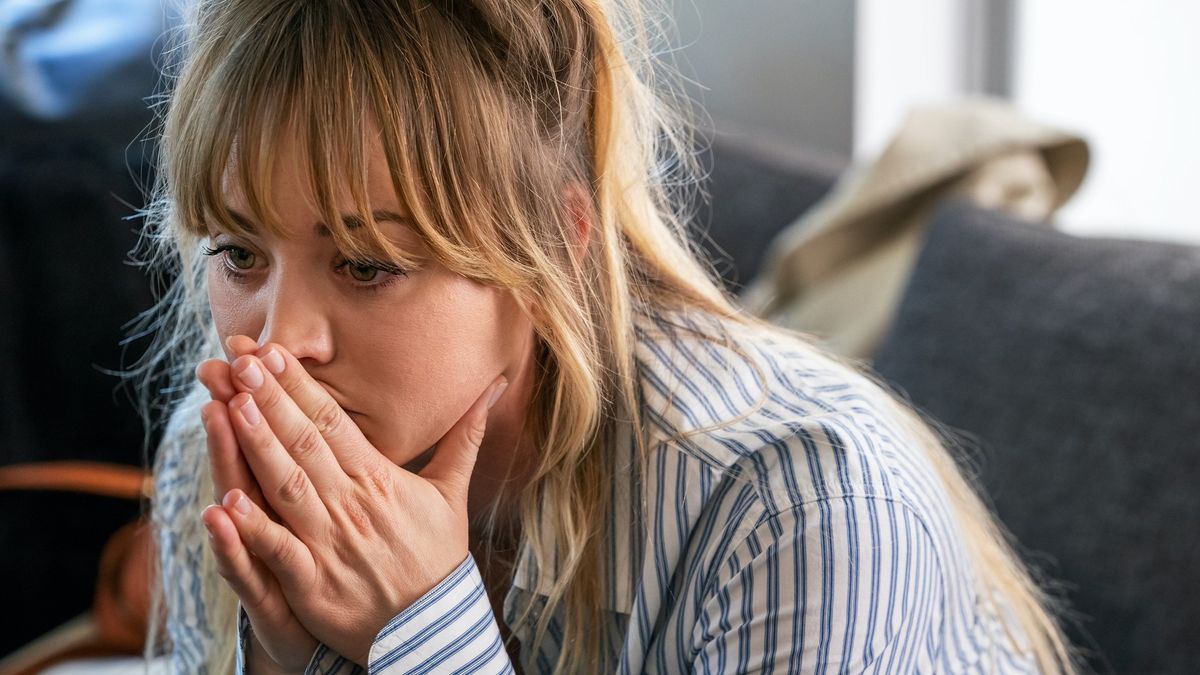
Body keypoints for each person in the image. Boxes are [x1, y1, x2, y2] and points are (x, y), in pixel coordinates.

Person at [130, 1, 1081, 673]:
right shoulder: (208, 462)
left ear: (558, 245)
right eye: (239, 253)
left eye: (369, 264)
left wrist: (421, 636)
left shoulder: (797, 512)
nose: (274, 344)